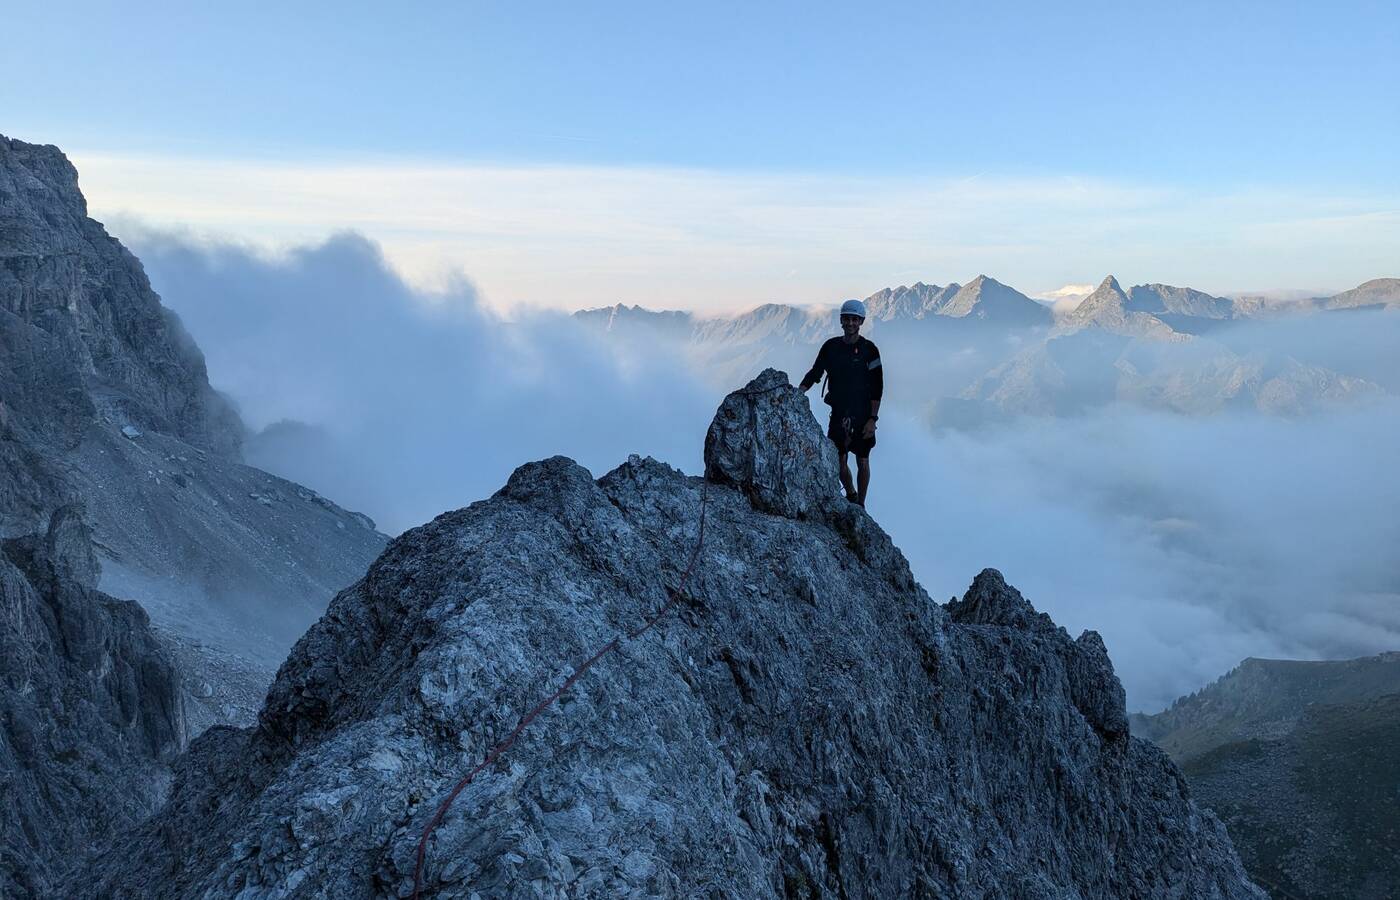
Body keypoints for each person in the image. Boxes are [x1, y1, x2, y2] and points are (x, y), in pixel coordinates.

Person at [798, 299, 883, 507]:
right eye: (847, 319)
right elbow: (816, 372)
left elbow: (877, 387)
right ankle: (852, 495)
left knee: (862, 460)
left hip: (863, 414)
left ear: (861, 322)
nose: (850, 323)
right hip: (839, 412)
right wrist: (799, 391)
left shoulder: (870, 351)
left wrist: (872, 419)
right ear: (841, 321)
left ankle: (860, 505)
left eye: (854, 319)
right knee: (839, 460)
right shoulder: (830, 348)